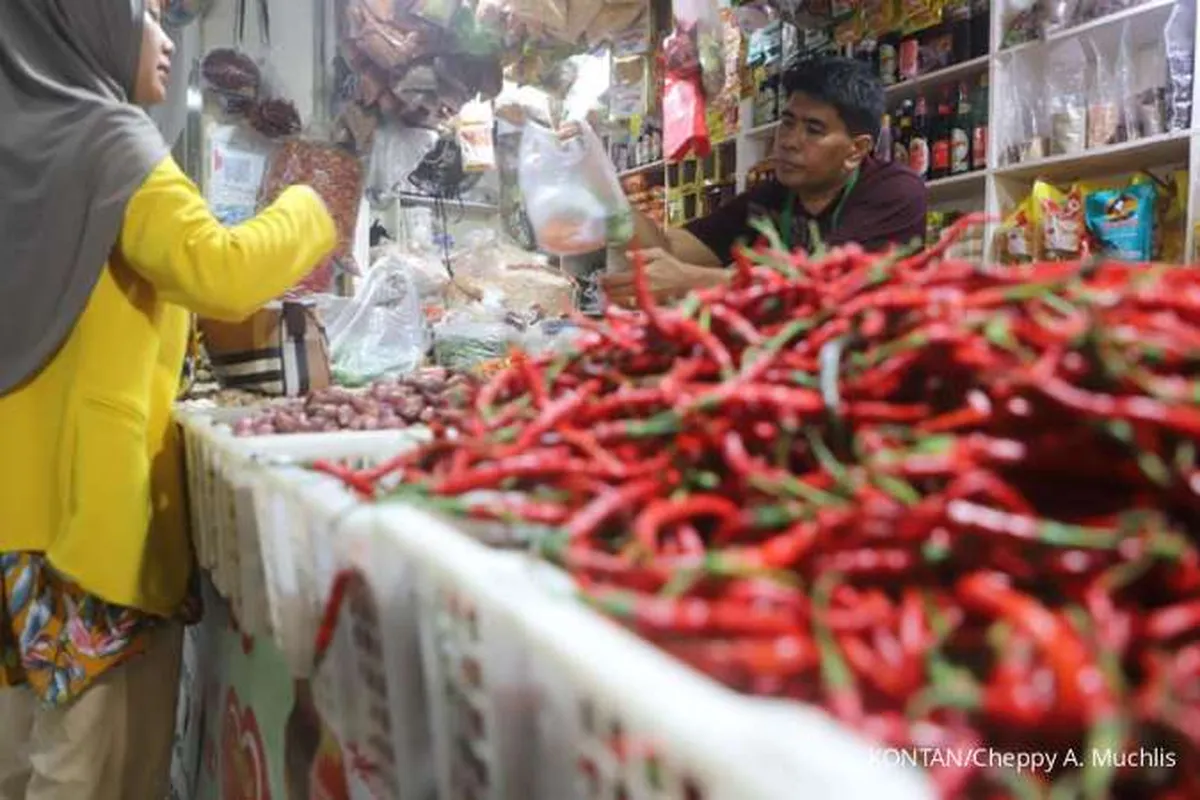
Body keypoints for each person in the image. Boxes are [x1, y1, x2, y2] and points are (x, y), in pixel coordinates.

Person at [0, 1, 337, 797]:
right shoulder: (108, 139)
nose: (163, 36)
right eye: (144, 12)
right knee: (93, 768)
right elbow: (218, 273)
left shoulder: (20, 143)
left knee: (19, 757)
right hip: (88, 522)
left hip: (18, 518)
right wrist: (310, 204)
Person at [603, 56, 928, 305]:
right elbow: (672, 248)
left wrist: (692, 282)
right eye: (787, 123)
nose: (788, 141)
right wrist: (605, 198)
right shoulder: (772, 197)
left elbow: (828, 285)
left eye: (813, 130)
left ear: (856, 150)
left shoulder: (895, 191)